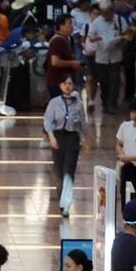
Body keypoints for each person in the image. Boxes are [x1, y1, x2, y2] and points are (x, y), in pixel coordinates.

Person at [43, 74, 89, 219]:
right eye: (65, 83)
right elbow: (48, 121)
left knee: (69, 170)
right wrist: (51, 137)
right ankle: (62, 201)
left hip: (73, 138)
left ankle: (66, 204)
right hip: (58, 137)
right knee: (58, 171)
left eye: (70, 83)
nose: (68, 86)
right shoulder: (54, 102)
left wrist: (87, 139)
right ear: (60, 86)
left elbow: (83, 122)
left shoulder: (78, 103)